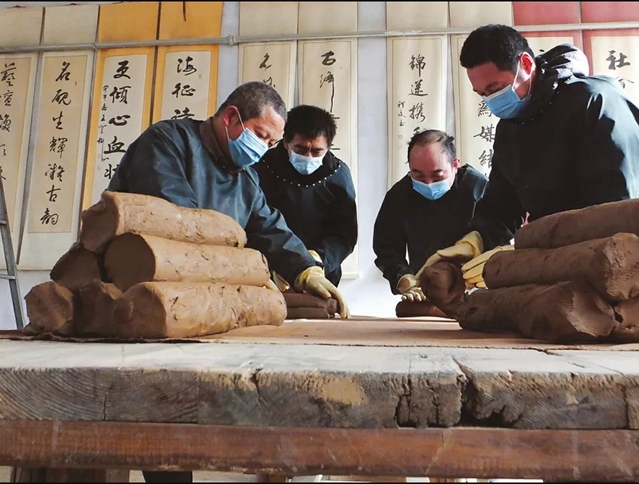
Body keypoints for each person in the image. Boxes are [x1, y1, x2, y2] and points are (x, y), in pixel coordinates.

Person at [107, 83, 351, 483]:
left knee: (181, 408)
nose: (263, 149)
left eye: (271, 143)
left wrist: (306, 269)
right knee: (152, 409)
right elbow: (180, 221)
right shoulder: (168, 142)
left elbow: (268, 225)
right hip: (138, 294)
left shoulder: (243, 175)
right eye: (260, 136)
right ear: (231, 117)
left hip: (193, 305)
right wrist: (247, 268)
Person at [416, 24, 639, 286]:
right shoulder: (511, 127)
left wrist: (528, 252)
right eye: (482, 94)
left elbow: (613, 208)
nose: (491, 101)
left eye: (496, 88)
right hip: (578, 252)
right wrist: (475, 242)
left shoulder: (595, 103)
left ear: (526, 64)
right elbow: (502, 204)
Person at [373, 129, 488, 301]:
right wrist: (402, 278)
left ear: (455, 165)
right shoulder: (399, 195)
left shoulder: (478, 187)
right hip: (425, 290)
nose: (428, 183)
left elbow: (499, 232)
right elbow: (386, 248)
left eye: (437, 176)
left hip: (478, 287)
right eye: (418, 175)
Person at [253, 104, 357, 288]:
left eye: (317, 151)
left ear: (328, 146)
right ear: (286, 141)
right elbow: (253, 221)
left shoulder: (338, 175)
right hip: (266, 271)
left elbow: (344, 235)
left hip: (321, 271)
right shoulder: (261, 167)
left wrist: (318, 258)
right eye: (300, 149)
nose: (308, 157)